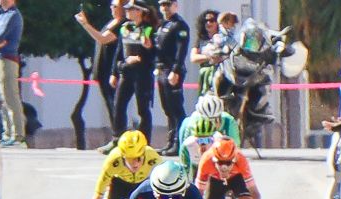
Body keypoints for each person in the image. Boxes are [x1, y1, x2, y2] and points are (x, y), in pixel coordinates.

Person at [79, 1, 155, 137]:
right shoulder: (126, 27)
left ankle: (145, 141)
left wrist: (144, 52)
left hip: (142, 74)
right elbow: (119, 51)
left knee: (143, 109)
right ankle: (117, 137)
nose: (127, 11)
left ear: (139, 11)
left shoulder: (148, 28)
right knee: (118, 105)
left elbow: (152, 52)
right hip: (126, 72)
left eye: (130, 9)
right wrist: (114, 72)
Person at [153, 0, 190, 148]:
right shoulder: (163, 24)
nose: (164, 8)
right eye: (162, 5)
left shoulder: (179, 25)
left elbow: (181, 51)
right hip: (162, 70)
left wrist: (175, 70)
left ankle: (179, 142)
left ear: (175, 6)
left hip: (172, 70)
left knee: (176, 108)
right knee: (167, 108)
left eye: (168, 5)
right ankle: (170, 141)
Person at [0, 0, 24, 144]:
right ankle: (7, 133)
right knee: (0, 98)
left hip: (7, 60)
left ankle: (17, 135)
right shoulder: (1, 15)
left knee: (9, 96)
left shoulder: (12, 15)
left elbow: (0, 37)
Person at [175, 91, 239, 164]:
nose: (212, 124)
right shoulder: (189, 122)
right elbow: (184, 153)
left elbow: (236, 150)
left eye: (215, 120)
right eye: (207, 120)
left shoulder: (228, 121)